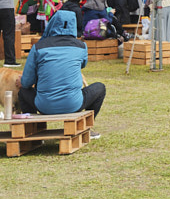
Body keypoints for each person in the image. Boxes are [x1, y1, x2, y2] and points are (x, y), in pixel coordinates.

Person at [18, 9, 106, 139]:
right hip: (73, 104)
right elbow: (82, 64)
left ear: (52, 23)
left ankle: (33, 129)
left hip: (44, 106)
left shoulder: (38, 47)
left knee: (23, 91)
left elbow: (26, 83)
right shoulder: (81, 46)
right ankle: (87, 127)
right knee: (100, 87)